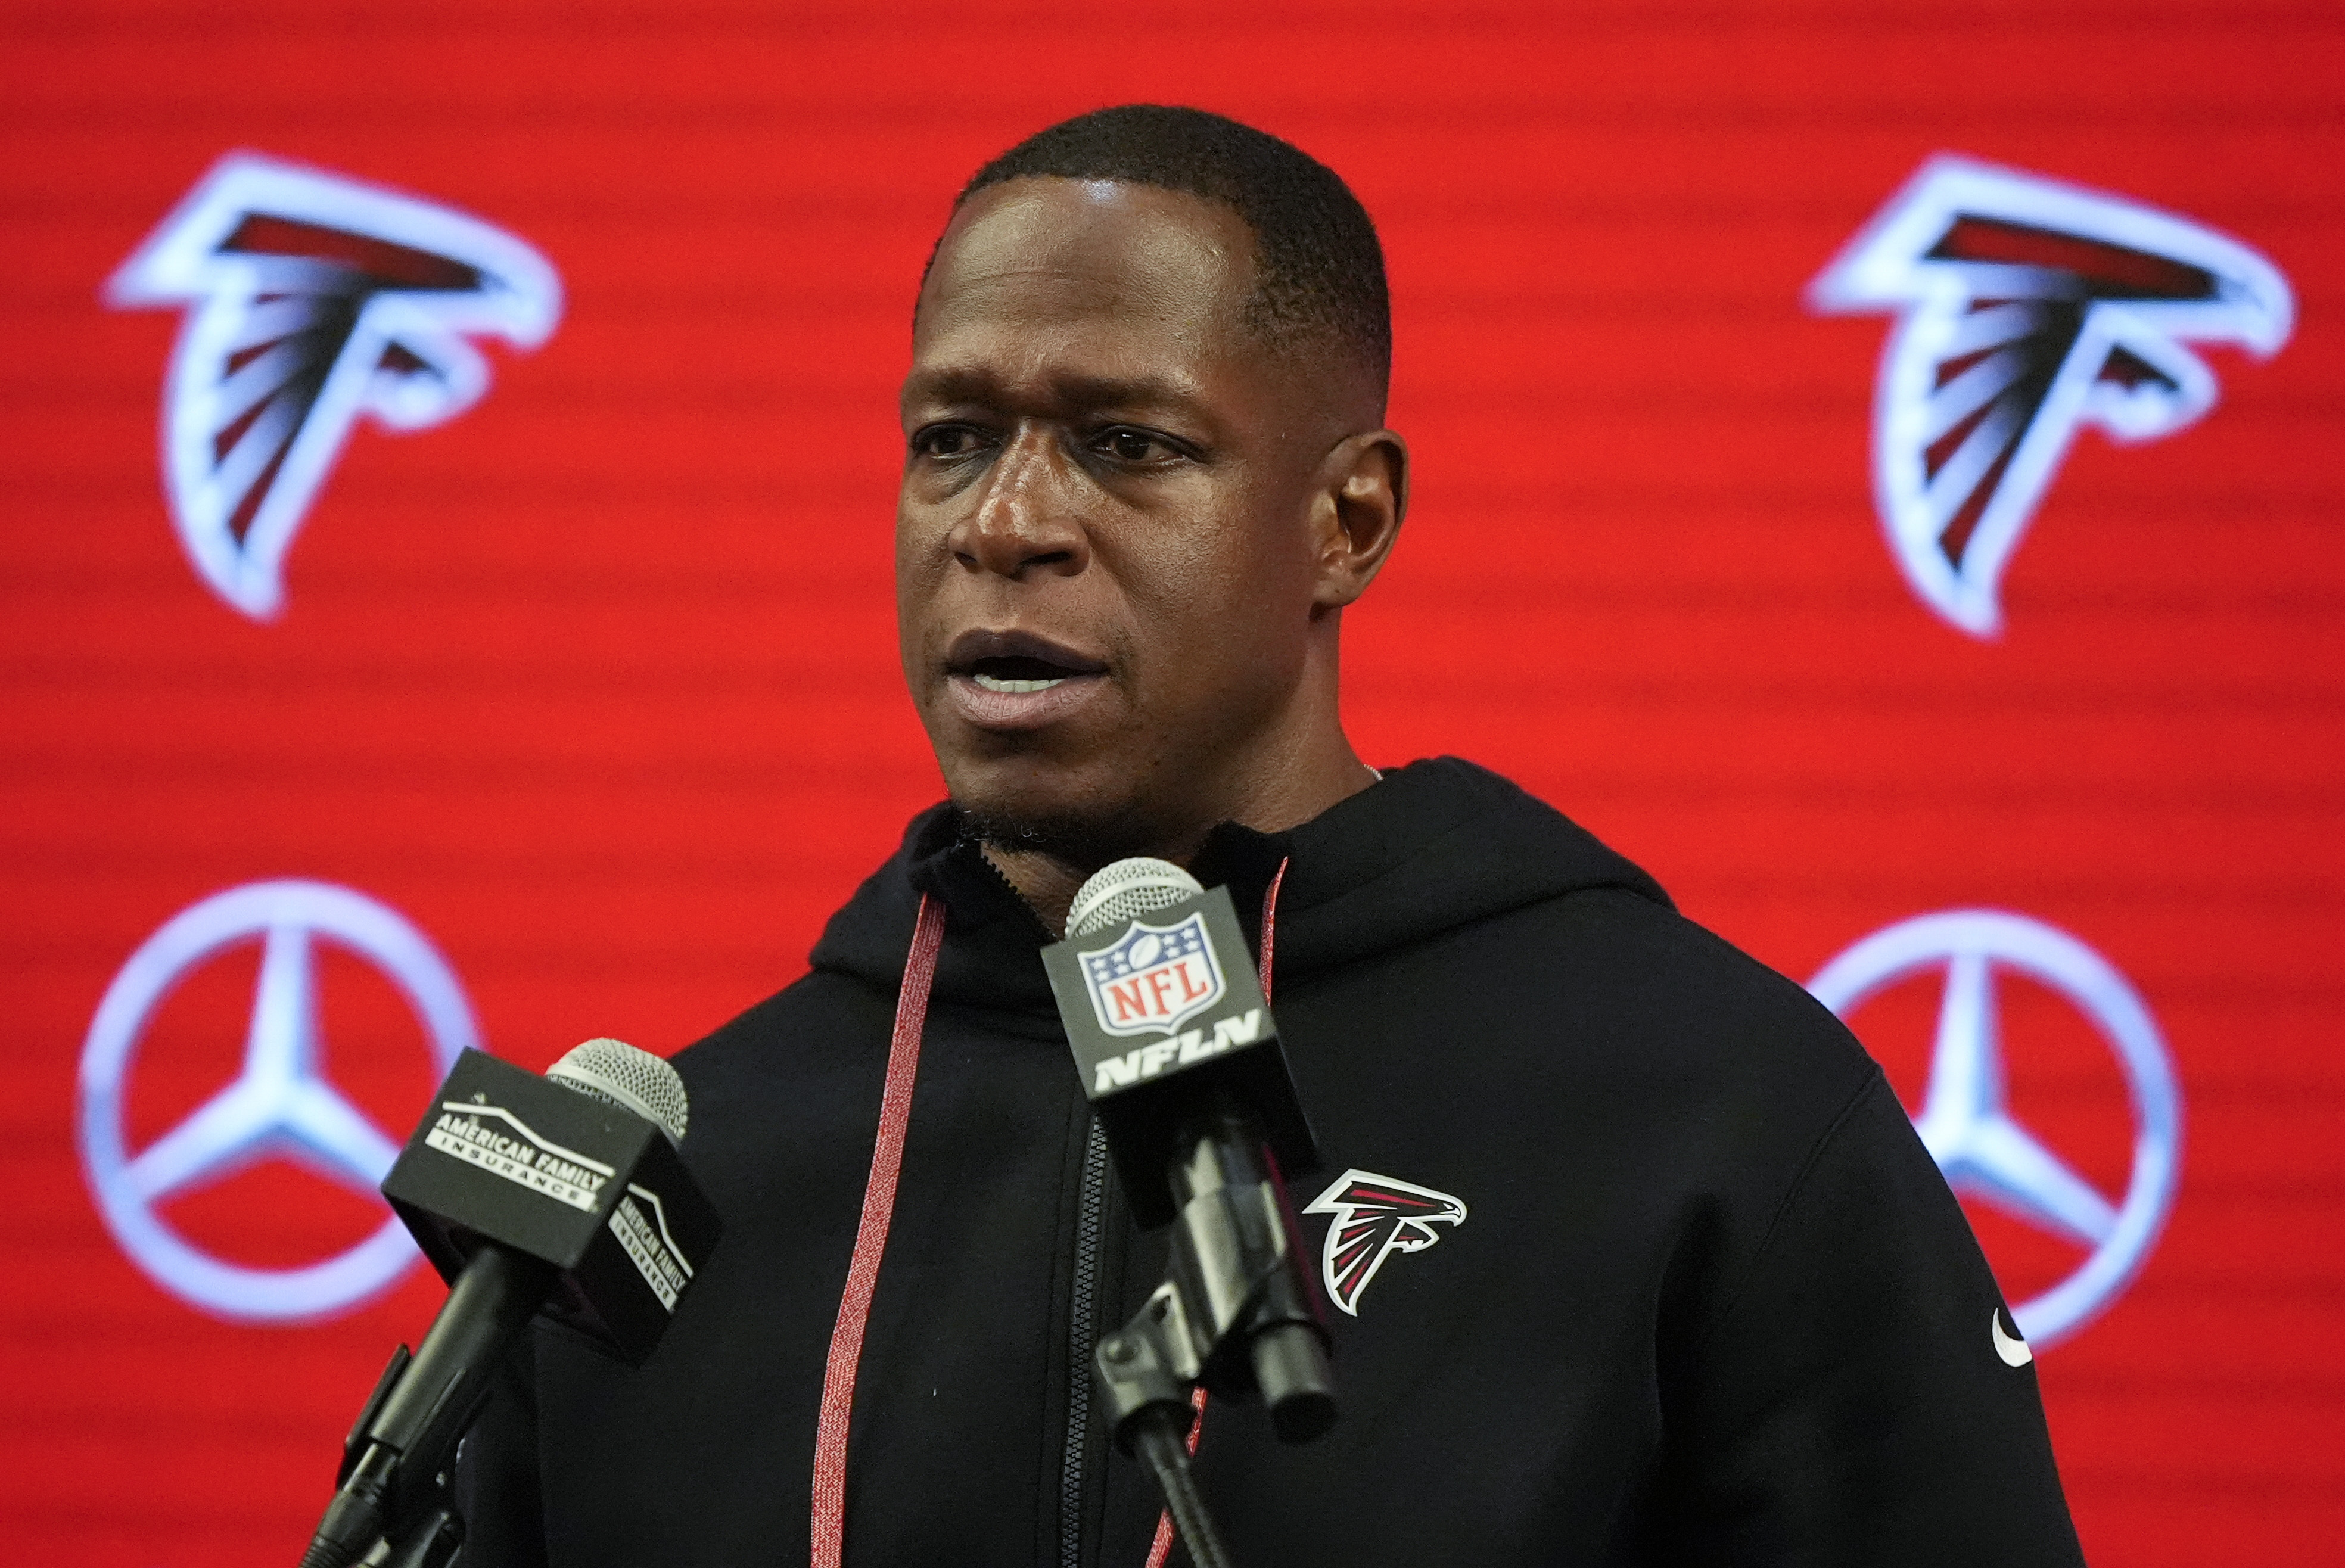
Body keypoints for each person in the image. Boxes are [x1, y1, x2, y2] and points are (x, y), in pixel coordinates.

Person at [455, 105, 2085, 1567]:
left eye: (1128, 445)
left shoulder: (1707, 1108)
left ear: (1345, 519)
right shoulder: (687, 1179)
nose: (1005, 524)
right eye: (951, 438)